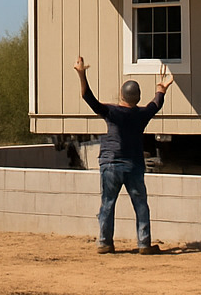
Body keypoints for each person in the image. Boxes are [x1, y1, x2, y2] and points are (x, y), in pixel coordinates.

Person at [74, 55, 173, 254]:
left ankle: (104, 242)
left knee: (108, 203)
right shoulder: (141, 114)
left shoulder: (112, 112)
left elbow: (88, 98)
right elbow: (156, 104)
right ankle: (144, 244)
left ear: (121, 96)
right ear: (137, 98)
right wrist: (161, 89)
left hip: (110, 163)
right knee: (140, 204)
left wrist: (82, 74)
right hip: (134, 165)